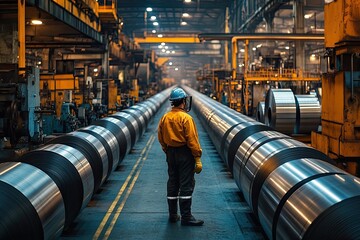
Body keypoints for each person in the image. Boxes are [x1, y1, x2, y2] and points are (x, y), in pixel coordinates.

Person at [158, 87, 204, 226]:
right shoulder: (186, 118)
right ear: (183, 101)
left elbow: (160, 137)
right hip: (185, 154)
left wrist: (167, 150)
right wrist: (197, 158)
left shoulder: (165, 117)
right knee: (186, 184)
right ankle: (186, 217)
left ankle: (173, 215)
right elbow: (192, 140)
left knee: (173, 182)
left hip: (171, 153)